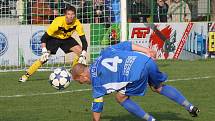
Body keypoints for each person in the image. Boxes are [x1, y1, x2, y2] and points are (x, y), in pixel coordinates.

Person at [71, 41, 200, 121]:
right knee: (158, 87)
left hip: (136, 73)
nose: (82, 83)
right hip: (146, 60)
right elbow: (127, 45)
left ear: (83, 77)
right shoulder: (105, 52)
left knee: (120, 97)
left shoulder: (97, 83)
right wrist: (147, 50)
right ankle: (190, 107)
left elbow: (98, 107)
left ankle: (151, 120)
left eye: (80, 82)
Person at [19, 5, 88, 82]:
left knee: (80, 52)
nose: (71, 16)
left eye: (72, 14)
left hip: (66, 39)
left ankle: (72, 73)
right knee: (44, 58)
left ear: (75, 15)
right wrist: (44, 50)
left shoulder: (77, 23)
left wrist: (83, 54)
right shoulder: (58, 21)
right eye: (69, 14)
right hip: (54, 39)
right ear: (65, 15)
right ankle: (26, 75)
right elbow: (44, 37)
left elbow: (84, 41)